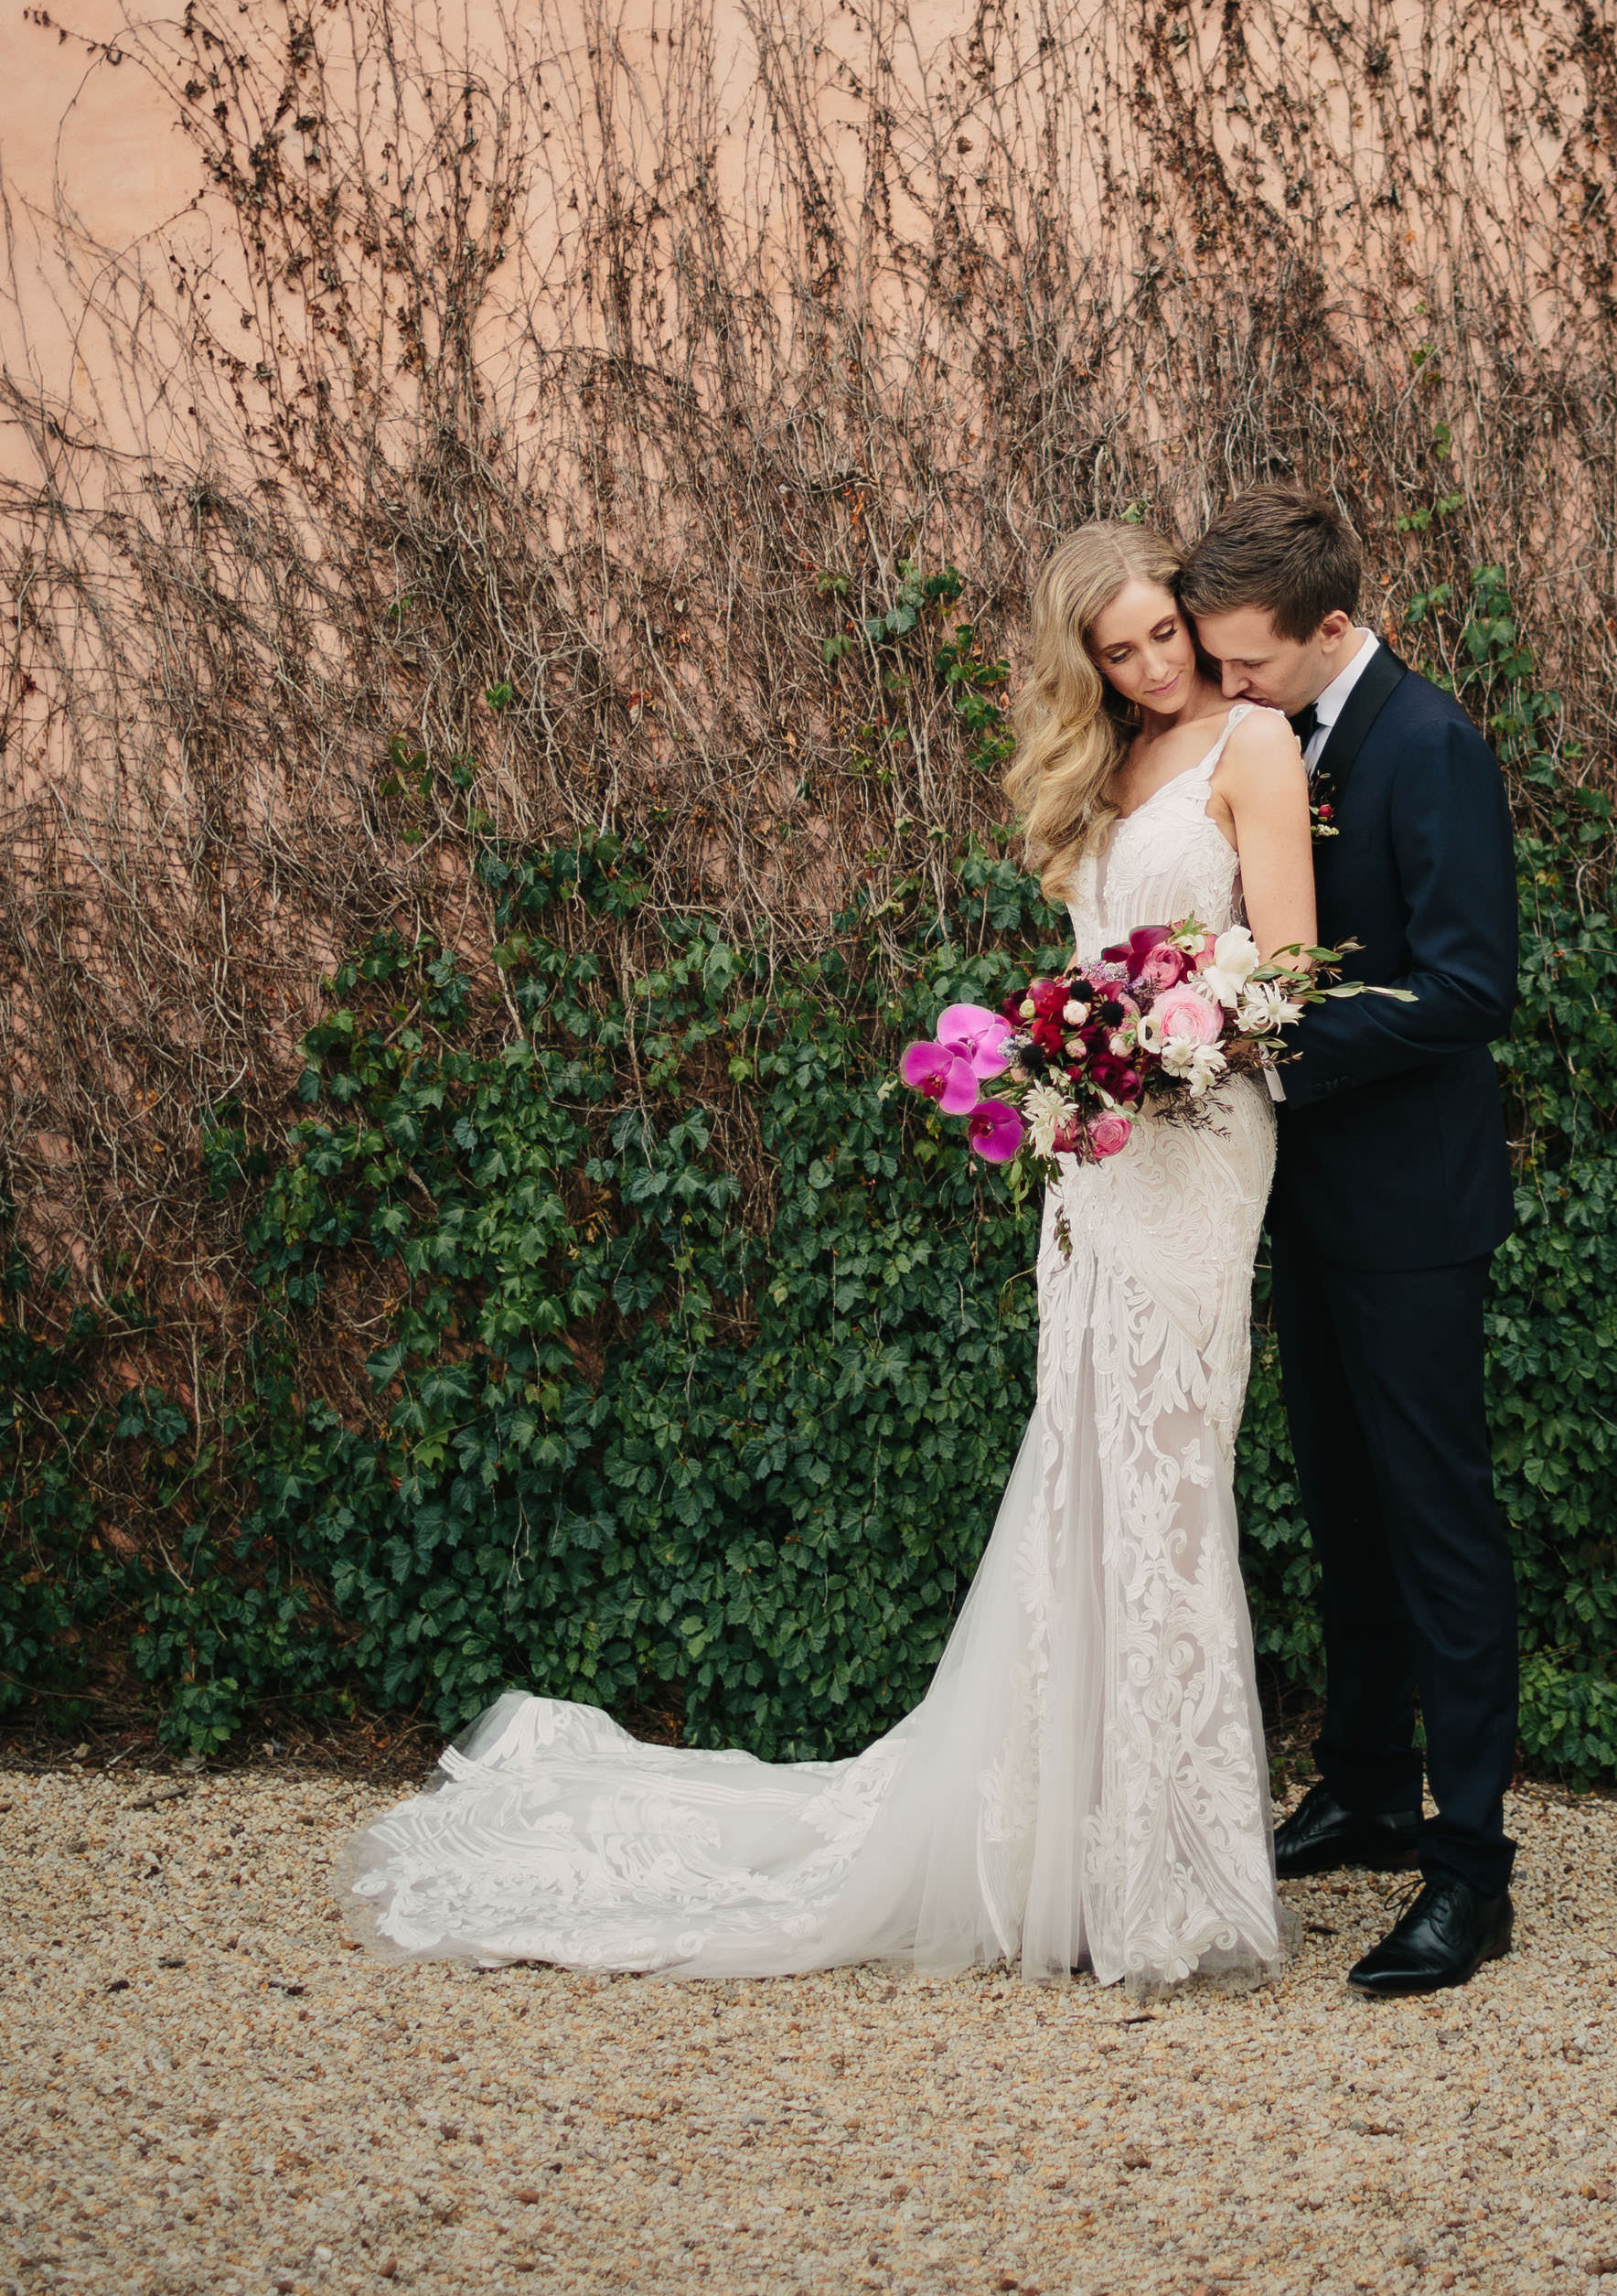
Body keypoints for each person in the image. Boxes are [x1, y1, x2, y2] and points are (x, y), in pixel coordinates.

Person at [337, 520, 1315, 1992]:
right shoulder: (1096, 768)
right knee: (1083, 1470)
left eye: (1162, 635)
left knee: (1175, 1474)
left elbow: (1287, 974)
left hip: (1200, 1140)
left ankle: (1167, 1866)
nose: (1152, 666)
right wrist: (1071, 1058)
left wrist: (1170, 1044)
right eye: (1118, 653)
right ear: (1085, 664)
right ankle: (1068, 1848)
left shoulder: (1253, 746)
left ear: (1189, 617)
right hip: (1100, 1159)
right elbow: (1083, 967)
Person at [1183, 486, 1522, 1999]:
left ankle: (1471, 1870)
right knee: (1341, 1511)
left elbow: (1468, 988)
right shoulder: (1277, 733)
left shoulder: (1429, 744)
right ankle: (1371, 1788)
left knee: (1435, 1524)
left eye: (1246, 664)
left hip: (1411, 1211)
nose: (1224, 688)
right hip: (1301, 1204)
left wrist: (1276, 1035)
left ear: (1330, 628)